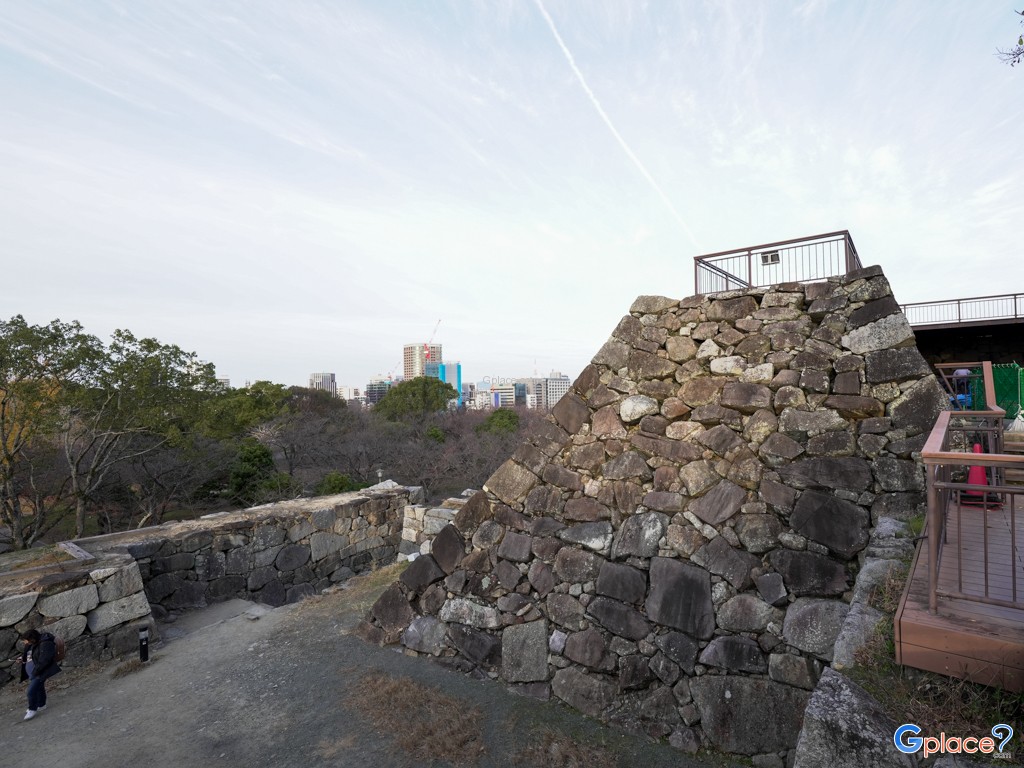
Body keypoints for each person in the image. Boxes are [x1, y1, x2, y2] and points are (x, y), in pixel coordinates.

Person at [17, 629, 61, 720]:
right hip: (33, 672)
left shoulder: (46, 644)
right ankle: (41, 705)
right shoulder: (31, 644)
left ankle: (32, 709)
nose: (25, 642)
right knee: (39, 688)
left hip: (40, 672)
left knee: (31, 691)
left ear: (32, 638)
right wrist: (22, 659)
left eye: (26, 640)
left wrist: (35, 672)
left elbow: (45, 660)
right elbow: (30, 655)